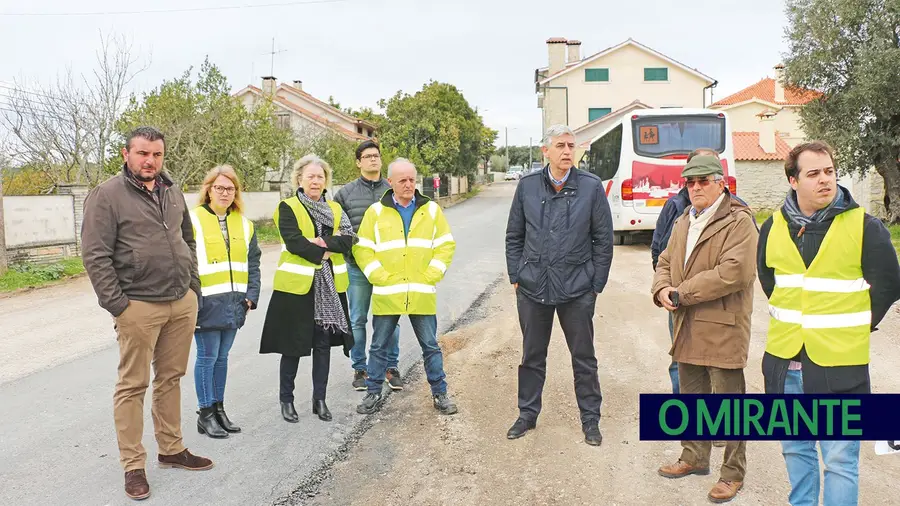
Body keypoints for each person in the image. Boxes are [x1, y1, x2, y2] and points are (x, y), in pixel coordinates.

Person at [757, 141, 900, 506]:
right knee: (796, 452)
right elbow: (771, 283)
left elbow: (887, 285)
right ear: (793, 180)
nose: (825, 180)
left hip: (840, 368)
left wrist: (854, 326)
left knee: (839, 460)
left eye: (829, 171)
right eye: (813, 173)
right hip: (785, 364)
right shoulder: (771, 227)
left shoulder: (865, 226)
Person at [81, 126, 213, 501]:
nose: (149, 161)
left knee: (171, 378)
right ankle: (133, 465)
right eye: (142, 153)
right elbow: (94, 255)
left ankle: (171, 449)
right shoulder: (107, 195)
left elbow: (187, 239)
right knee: (132, 385)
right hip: (137, 305)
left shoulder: (171, 190)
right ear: (126, 154)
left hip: (180, 301)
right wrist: (119, 306)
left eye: (156, 154)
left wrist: (194, 288)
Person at [651, 154, 758, 504]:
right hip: (687, 324)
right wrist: (661, 289)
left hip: (723, 326)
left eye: (704, 181)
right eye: (691, 182)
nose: (696, 187)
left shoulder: (739, 221)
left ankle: (732, 474)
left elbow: (734, 273)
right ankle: (693, 457)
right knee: (691, 396)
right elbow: (665, 260)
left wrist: (682, 293)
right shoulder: (684, 218)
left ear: (720, 183)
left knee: (729, 404)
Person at [504, 124, 614, 446]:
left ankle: (590, 420)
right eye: (561, 146)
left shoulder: (591, 188)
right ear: (546, 151)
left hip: (577, 290)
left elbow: (603, 241)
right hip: (533, 288)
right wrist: (515, 276)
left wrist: (595, 285)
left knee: (584, 358)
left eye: (571, 145)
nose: (567, 151)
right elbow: (514, 236)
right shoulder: (526, 187)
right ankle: (527, 414)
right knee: (532, 356)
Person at [353, 158, 458, 416]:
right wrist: (379, 276)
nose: (409, 184)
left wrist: (432, 273)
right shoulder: (375, 213)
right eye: (403, 180)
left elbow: (446, 245)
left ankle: (440, 393)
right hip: (388, 293)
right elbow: (362, 248)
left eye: (412, 179)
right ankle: (373, 393)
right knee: (379, 346)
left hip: (421, 292)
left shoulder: (431, 210)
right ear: (391, 182)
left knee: (430, 346)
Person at [259, 155, 356, 423]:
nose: (316, 180)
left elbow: (348, 239)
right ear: (299, 179)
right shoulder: (287, 207)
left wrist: (321, 242)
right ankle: (286, 401)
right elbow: (294, 243)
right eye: (311, 176)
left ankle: (319, 400)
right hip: (297, 290)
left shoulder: (335, 209)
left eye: (320, 176)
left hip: (329, 288)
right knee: (293, 347)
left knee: (323, 345)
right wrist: (325, 250)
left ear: (326, 180)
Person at [189, 165, 261, 439]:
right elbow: (185, 262)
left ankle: (219, 410)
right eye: (219, 187)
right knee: (207, 358)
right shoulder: (193, 220)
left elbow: (253, 262)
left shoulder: (244, 223)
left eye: (230, 188)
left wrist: (251, 297)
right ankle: (205, 413)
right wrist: (191, 299)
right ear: (208, 190)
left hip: (234, 304)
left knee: (222, 358)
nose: (224, 193)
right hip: (205, 303)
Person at [334, 140, 402, 392]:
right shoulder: (345, 194)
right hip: (358, 267)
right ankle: (360, 368)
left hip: (389, 268)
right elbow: (339, 229)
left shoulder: (392, 189)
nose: (373, 159)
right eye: (368, 156)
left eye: (376, 155)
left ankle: (390, 367)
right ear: (358, 162)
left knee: (390, 319)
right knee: (358, 319)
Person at [651, 148, 717, 395]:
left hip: (717, 308)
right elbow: (660, 252)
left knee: (717, 366)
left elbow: (742, 267)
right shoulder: (676, 208)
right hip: (680, 306)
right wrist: (664, 288)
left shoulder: (737, 212)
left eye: (706, 174)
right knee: (681, 361)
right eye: (693, 177)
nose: (698, 184)